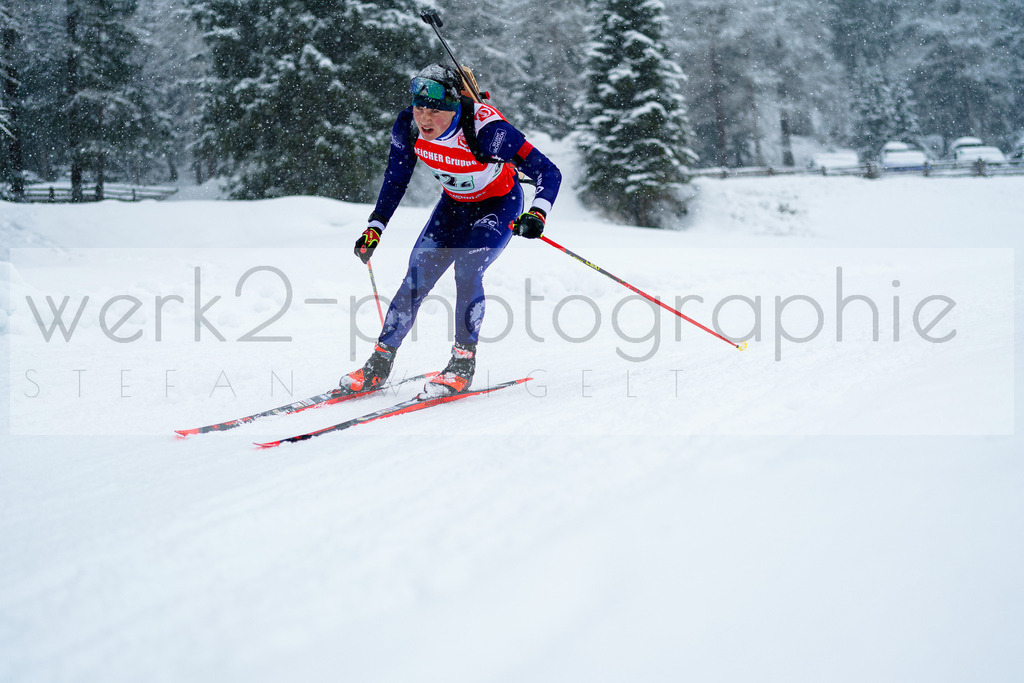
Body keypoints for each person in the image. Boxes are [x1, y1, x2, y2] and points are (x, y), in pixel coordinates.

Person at [340, 63, 561, 397]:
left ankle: (462, 364)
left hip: (498, 205)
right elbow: (396, 179)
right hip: (454, 206)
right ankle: (379, 364)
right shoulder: (408, 127)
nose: (425, 119)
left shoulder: (489, 131)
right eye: (419, 108)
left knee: (467, 268)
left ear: (454, 106)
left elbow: (548, 172)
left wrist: (538, 214)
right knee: (416, 276)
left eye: (434, 111)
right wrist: (375, 227)